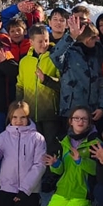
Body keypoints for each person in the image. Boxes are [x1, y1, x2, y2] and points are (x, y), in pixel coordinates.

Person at [0, 101, 48, 206]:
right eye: (15, 117)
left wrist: (25, 189)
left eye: (23, 117)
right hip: (8, 186)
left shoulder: (37, 138)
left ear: (28, 117)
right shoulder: (3, 137)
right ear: (10, 118)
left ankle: (36, 201)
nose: (18, 121)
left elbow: (40, 165)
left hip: (28, 188)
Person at [41, 107, 101, 206]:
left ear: (89, 122)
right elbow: (60, 171)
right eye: (76, 118)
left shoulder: (95, 143)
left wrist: (80, 161)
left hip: (81, 191)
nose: (80, 121)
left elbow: (97, 170)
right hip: (63, 189)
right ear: (70, 121)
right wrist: (55, 164)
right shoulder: (63, 141)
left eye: (84, 119)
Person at [16, 24, 62, 181]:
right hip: (30, 112)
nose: (44, 44)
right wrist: (18, 108)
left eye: (46, 40)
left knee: (50, 144)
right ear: (31, 42)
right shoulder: (25, 61)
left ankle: (51, 176)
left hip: (49, 112)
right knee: (33, 145)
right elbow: (20, 85)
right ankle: (35, 174)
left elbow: (62, 83)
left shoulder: (54, 57)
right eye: (40, 41)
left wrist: (46, 79)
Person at [50, 17, 103, 126]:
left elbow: (101, 83)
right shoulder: (68, 54)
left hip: (92, 112)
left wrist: (102, 107)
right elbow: (54, 55)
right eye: (93, 37)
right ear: (86, 39)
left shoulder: (96, 55)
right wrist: (71, 36)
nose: (96, 40)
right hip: (71, 112)